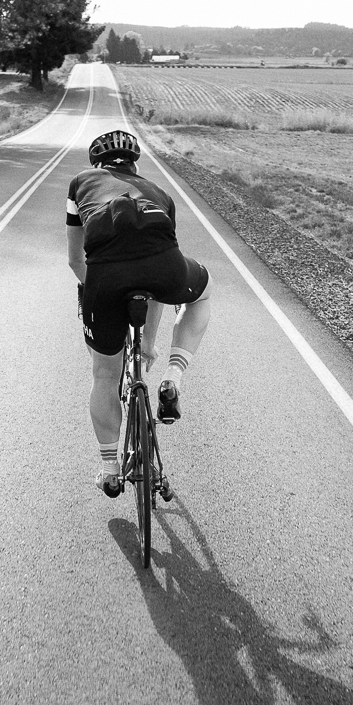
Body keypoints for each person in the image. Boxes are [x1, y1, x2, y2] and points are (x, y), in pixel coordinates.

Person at [66, 129, 213, 497]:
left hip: (106, 276)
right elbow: (158, 272)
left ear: (97, 163)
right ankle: (173, 376)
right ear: (134, 165)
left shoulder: (81, 183)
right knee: (203, 294)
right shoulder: (160, 193)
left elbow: (75, 260)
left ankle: (109, 469)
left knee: (104, 375)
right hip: (164, 268)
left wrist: (102, 296)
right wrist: (147, 341)